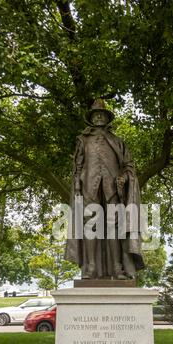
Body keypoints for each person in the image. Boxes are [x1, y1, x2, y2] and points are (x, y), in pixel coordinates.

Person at [65, 99, 144, 279]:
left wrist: (125, 176)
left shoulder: (118, 141)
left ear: (107, 118)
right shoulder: (82, 140)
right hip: (88, 188)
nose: (99, 116)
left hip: (113, 189)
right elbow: (77, 166)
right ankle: (91, 267)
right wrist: (77, 185)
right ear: (91, 118)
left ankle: (117, 267)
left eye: (102, 114)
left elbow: (128, 165)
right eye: (96, 114)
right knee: (90, 226)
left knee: (113, 228)